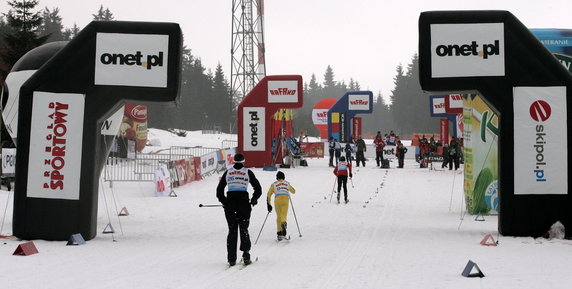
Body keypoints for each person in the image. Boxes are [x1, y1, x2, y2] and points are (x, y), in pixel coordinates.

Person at [216, 153, 262, 266]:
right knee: (244, 229)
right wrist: (254, 199)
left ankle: (231, 258)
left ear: (233, 161)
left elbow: (219, 190)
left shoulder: (228, 172)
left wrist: (224, 201)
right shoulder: (247, 172)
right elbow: (258, 188)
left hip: (230, 203)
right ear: (243, 161)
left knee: (232, 230)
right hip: (243, 203)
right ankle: (246, 255)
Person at [266, 171, 296, 241]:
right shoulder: (287, 183)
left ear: (277, 178)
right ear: (283, 177)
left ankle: (279, 233)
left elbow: (268, 194)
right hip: (285, 199)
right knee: (284, 214)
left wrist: (268, 203)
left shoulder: (274, 184)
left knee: (278, 216)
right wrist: (287, 189)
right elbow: (294, 191)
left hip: (277, 200)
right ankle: (283, 223)